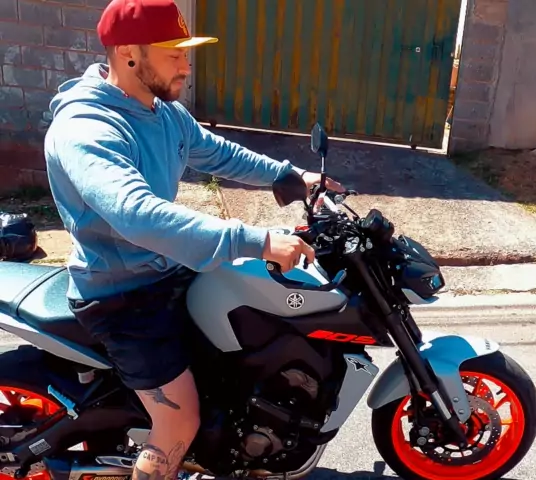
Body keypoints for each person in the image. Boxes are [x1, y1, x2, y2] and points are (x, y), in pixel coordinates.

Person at [42, 1, 342, 479]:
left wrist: (289, 176)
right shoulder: (87, 128)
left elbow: (216, 152)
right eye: (174, 54)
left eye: (186, 52)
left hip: (165, 268)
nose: (186, 65)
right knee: (179, 419)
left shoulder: (163, 112)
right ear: (129, 53)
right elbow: (137, 215)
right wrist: (256, 240)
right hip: (123, 295)